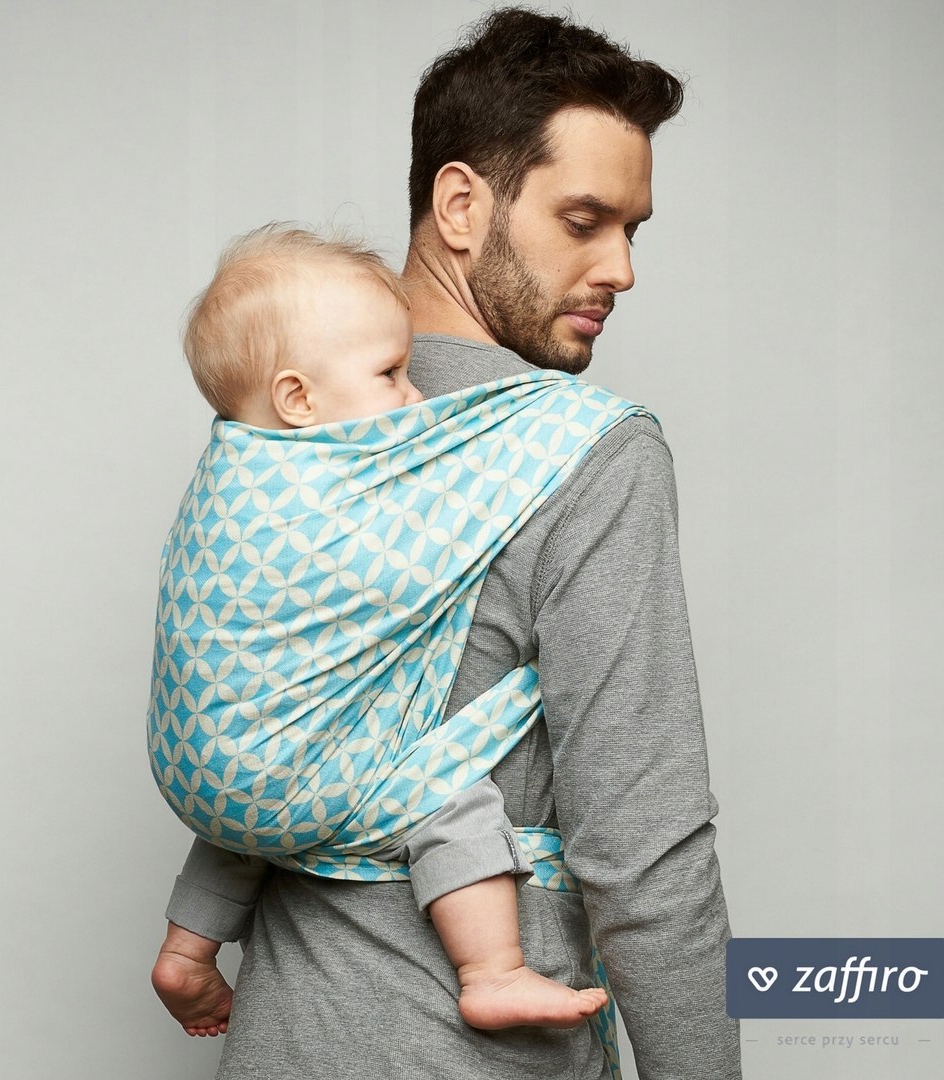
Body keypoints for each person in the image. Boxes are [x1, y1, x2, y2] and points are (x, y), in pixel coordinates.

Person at [151, 9, 742, 1078]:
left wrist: (193, 940)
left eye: (633, 231)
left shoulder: (275, 425)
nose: (621, 267)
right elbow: (645, 852)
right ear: (461, 204)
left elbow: (259, 728)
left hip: (277, 1045)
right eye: (584, 220)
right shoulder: (587, 452)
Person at [149, 223, 613, 1032]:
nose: (417, 397)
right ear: (299, 400)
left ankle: (187, 950)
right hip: (281, 781)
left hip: (200, 766)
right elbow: (425, 560)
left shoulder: (231, 471)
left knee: (263, 777)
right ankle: (493, 971)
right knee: (447, 793)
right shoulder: (326, 499)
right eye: (391, 375)